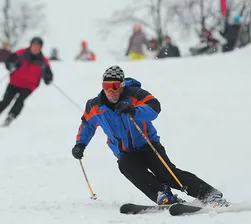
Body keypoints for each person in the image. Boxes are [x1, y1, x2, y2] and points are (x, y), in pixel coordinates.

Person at [71, 65, 230, 207]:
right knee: (126, 166)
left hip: (148, 145)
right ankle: (162, 194)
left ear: (122, 85)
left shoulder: (135, 94)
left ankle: (209, 194)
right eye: (107, 86)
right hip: (126, 153)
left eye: (115, 86)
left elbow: (155, 108)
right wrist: (80, 144)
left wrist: (134, 110)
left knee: (166, 173)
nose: (111, 91)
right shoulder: (95, 105)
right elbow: (87, 124)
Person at [0, 37, 53, 127]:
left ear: (40, 48)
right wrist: (11, 66)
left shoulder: (43, 61)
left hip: (29, 86)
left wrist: (48, 79)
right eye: (33, 46)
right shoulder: (21, 53)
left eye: (37, 47)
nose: (35, 48)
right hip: (15, 82)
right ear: (30, 45)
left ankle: (11, 116)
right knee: (6, 101)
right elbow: (9, 61)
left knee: (20, 100)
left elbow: (48, 74)